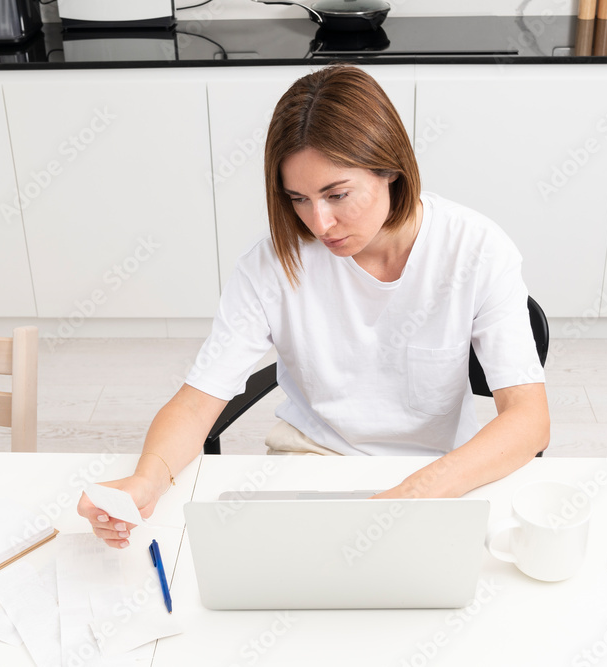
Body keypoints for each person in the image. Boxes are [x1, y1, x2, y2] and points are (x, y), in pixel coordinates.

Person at [78, 65, 549, 548]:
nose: (320, 224)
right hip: (310, 461)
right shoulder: (270, 265)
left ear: (390, 168)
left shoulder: (476, 250)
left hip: (438, 474)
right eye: (298, 199)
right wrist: (147, 480)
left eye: (336, 194)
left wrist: (410, 496)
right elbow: (198, 401)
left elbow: (529, 419)